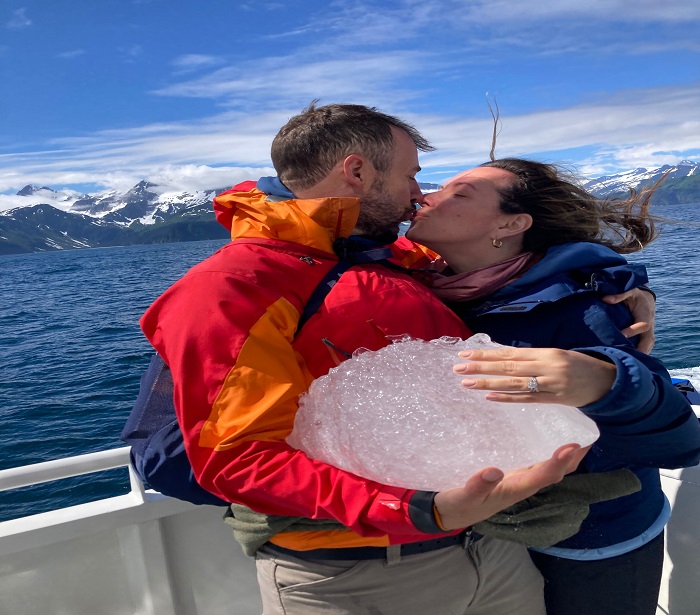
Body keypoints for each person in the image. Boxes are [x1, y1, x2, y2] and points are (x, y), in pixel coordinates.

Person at [140, 103, 646, 615]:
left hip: (492, 551)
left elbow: (524, 263)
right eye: (410, 176)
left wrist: (622, 284)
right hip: (354, 575)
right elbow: (237, 457)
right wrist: (422, 510)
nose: (418, 194)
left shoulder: (390, 257)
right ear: (358, 172)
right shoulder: (234, 287)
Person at [403, 158, 700, 615]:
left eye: (458, 193)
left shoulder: (580, 309)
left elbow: (679, 441)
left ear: (511, 225)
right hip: (495, 533)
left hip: (593, 537)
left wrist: (609, 381)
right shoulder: (438, 292)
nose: (426, 196)